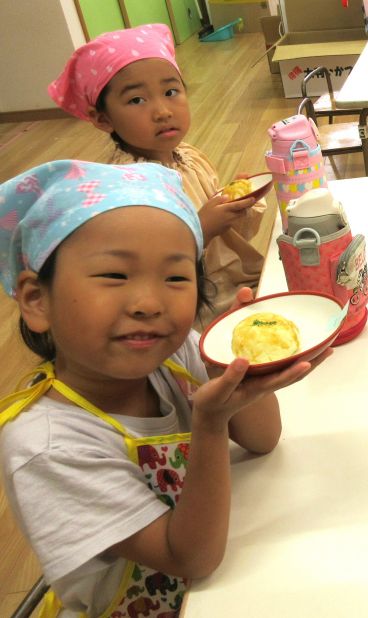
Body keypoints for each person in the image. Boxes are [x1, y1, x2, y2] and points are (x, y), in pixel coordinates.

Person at [0, 161, 330, 617]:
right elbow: (190, 559)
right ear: (37, 301)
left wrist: (237, 369)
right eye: (115, 276)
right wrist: (210, 424)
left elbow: (263, 440)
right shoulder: (49, 446)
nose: (149, 304)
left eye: (175, 277)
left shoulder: (176, 355)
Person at [48, 24, 269, 328]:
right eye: (137, 100)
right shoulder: (127, 185)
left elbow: (229, 236)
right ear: (103, 119)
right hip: (193, 308)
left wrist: (234, 203)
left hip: (236, 279)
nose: (163, 110)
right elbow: (142, 269)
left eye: (170, 92)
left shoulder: (189, 157)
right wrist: (201, 228)